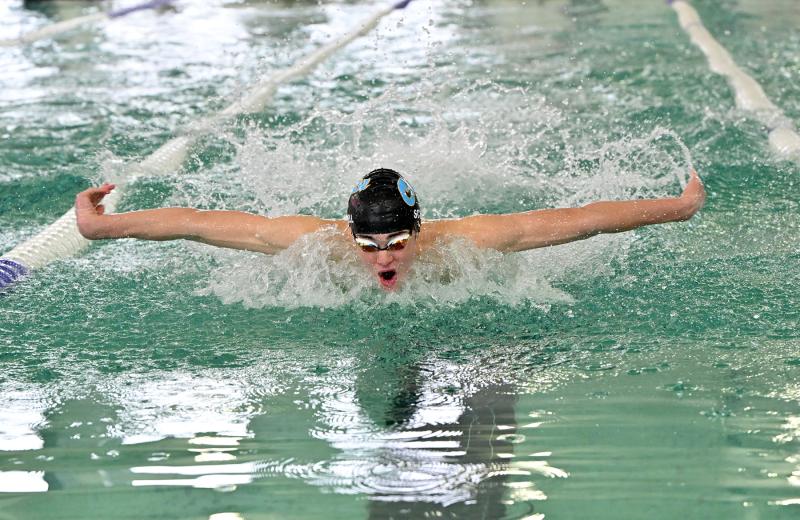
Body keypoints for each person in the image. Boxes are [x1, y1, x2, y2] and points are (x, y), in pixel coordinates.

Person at [75, 167, 706, 291]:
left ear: (418, 231)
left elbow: (581, 221)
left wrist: (677, 208)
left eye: (398, 243)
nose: (384, 259)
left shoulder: (469, 241)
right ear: (348, 233)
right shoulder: (311, 242)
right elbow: (194, 224)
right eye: (369, 245)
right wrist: (103, 228)